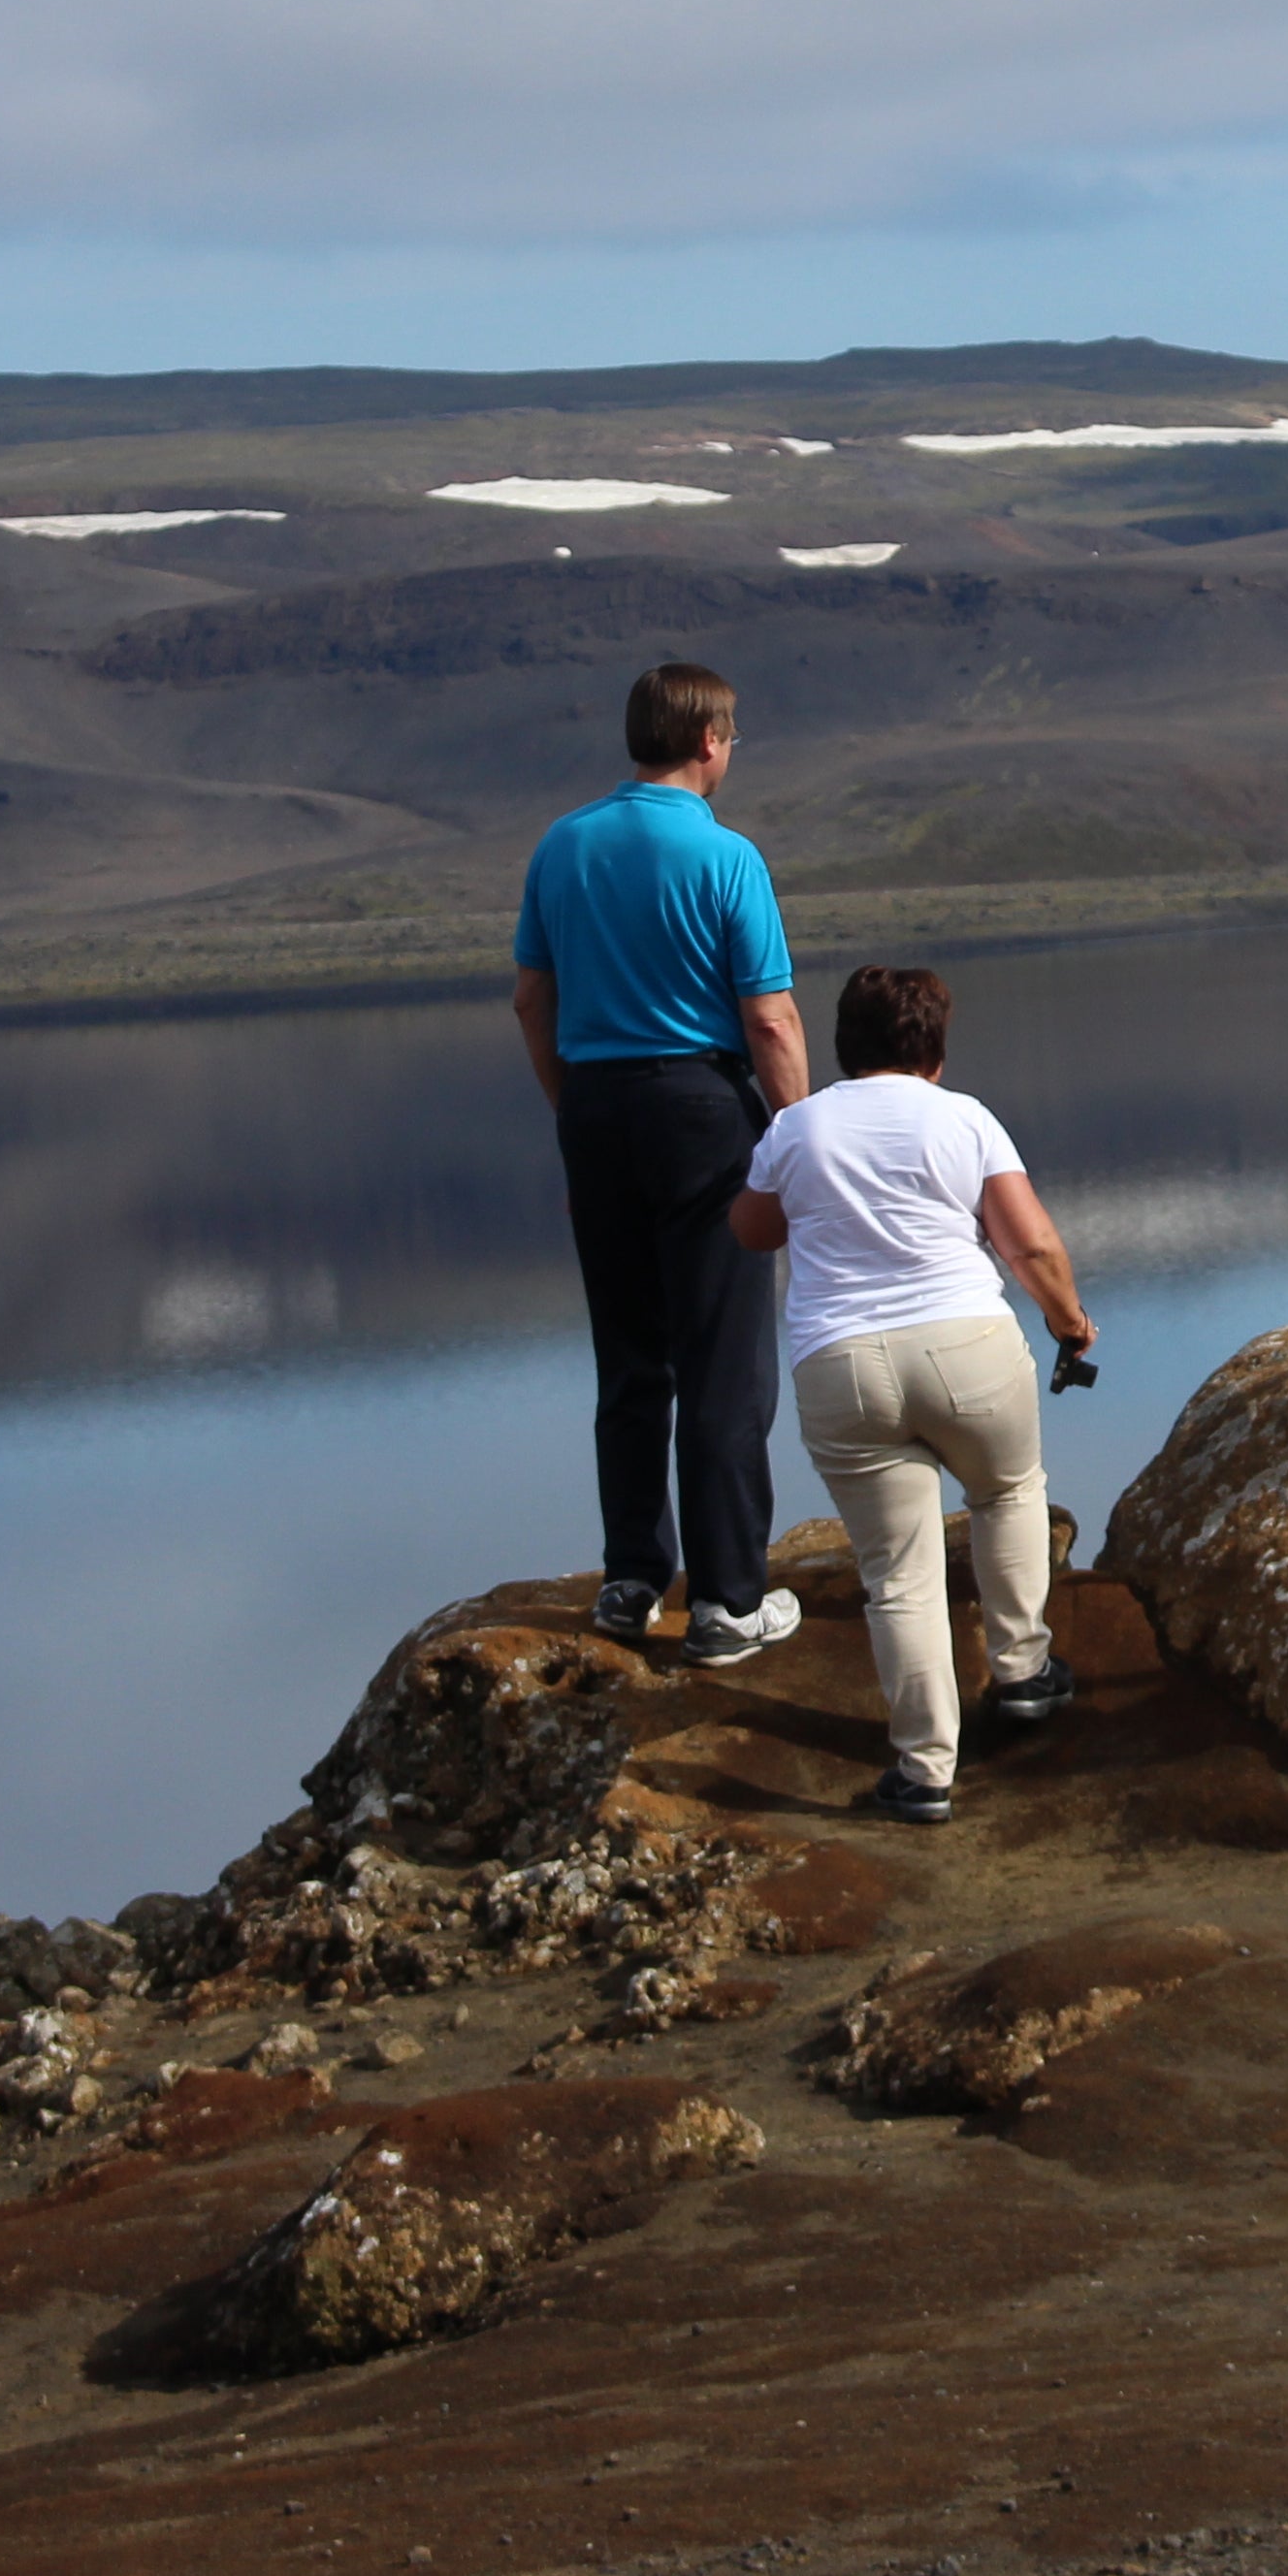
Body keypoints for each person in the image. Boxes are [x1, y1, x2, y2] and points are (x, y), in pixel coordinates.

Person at [729, 964, 1091, 1829]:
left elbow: (750, 1229)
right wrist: (1070, 1324)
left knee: (898, 1572)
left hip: (842, 1364)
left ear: (846, 1045)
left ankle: (926, 1770)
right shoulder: (964, 1118)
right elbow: (1029, 1246)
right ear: (933, 1047)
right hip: (966, 1345)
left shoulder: (799, 1127)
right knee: (1007, 1491)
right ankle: (1023, 1670)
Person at [512, 661, 811, 1666]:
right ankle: (728, 1602)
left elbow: (530, 998)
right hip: (700, 1107)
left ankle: (633, 1577)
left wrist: (572, 1105)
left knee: (630, 1355)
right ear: (711, 743)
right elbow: (767, 1018)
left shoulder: (563, 845)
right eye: (732, 738)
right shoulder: (727, 858)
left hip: (595, 1106)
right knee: (723, 1357)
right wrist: (801, 1137)